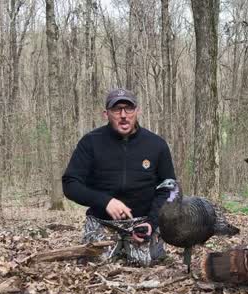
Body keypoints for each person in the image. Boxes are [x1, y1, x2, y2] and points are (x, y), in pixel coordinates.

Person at [62, 88, 176, 266]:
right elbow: (70, 184)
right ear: (106, 113)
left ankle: (145, 243)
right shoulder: (90, 142)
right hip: (103, 221)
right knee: (95, 263)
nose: (123, 115)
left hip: (141, 222)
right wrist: (105, 201)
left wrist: (152, 222)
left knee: (148, 263)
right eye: (117, 110)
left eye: (128, 109)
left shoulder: (156, 145)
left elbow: (168, 189)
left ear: (137, 111)